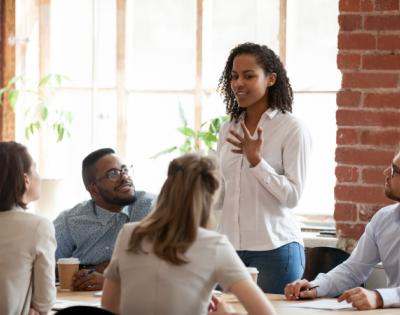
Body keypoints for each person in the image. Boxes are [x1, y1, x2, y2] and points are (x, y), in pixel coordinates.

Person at [101, 153, 276, 315]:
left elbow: (108, 308)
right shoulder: (214, 245)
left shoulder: (129, 234)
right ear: (210, 198)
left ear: (167, 189)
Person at [216, 42, 311, 293]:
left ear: (270, 79)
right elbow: (221, 193)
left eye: (248, 76)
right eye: (234, 76)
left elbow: (292, 197)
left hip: (275, 251)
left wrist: (256, 161)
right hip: (229, 251)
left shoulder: (291, 128)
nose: (238, 83)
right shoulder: (229, 128)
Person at [284, 149, 400, 310]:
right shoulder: (384, 219)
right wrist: (315, 287)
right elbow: (353, 270)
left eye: (394, 170)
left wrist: (380, 297)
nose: (386, 172)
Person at [54, 148, 155, 291]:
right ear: (94, 189)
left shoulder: (151, 207)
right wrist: (89, 269)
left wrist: (110, 279)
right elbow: (46, 266)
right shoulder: (70, 220)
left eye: (125, 170)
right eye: (113, 174)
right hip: (77, 302)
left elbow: (162, 266)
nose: (125, 177)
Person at [0, 141, 56, 315]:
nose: (39, 176)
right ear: (26, 180)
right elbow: (44, 302)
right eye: (35, 169)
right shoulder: (38, 226)